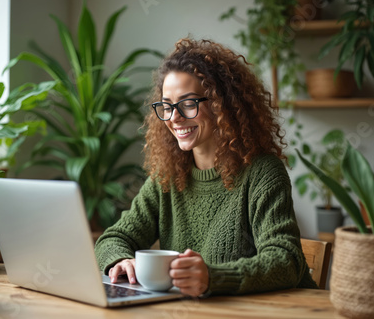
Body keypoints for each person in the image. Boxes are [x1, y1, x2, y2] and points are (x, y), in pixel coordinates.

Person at [94, 38, 318, 297]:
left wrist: (214, 277)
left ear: (220, 104)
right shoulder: (168, 176)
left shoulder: (262, 173)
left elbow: (286, 260)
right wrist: (120, 260)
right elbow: (114, 238)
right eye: (166, 106)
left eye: (188, 104)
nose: (174, 117)